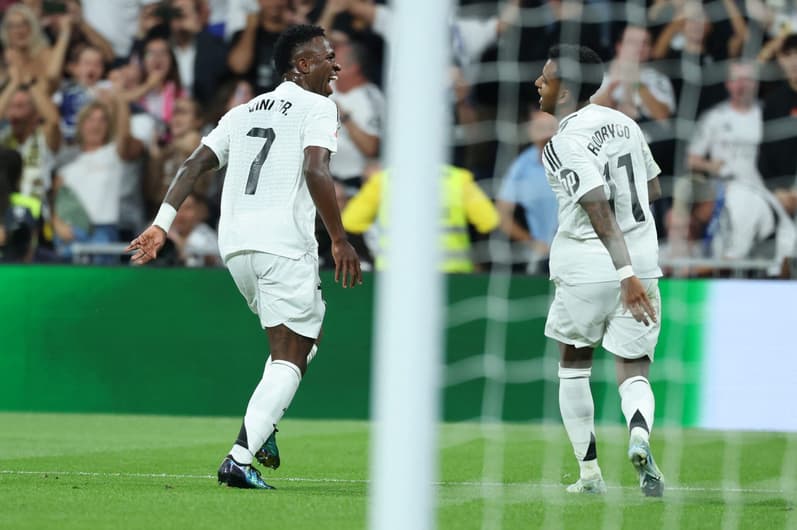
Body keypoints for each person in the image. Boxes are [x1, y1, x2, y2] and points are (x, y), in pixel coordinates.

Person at [126, 24, 362, 489]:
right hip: (283, 243)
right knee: (292, 353)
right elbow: (317, 168)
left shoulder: (242, 111)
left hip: (235, 247)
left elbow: (193, 164)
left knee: (300, 340)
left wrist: (161, 223)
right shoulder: (318, 106)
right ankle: (239, 456)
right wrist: (339, 237)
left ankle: (262, 428)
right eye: (327, 56)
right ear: (302, 65)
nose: (336, 64)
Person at [534, 44, 664, 496]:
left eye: (546, 78)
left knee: (574, 365)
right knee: (634, 370)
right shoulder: (624, 123)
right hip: (644, 263)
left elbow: (596, 207)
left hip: (591, 267)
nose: (538, 83)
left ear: (565, 91)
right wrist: (633, 270)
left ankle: (589, 475)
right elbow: (653, 187)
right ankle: (640, 434)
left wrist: (622, 271)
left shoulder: (561, 143)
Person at [341, 163, 499, 273]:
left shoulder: (383, 180)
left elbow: (351, 222)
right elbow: (489, 221)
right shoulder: (458, 179)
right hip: (451, 272)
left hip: (395, 273)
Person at [496, 108, 559, 274]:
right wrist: (531, 242)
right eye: (540, 129)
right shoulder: (521, 167)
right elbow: (502, 214)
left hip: (577, 251)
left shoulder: (576, 160)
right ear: (530, 132)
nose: (546, 135)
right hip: (539, 256)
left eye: (551, 128)